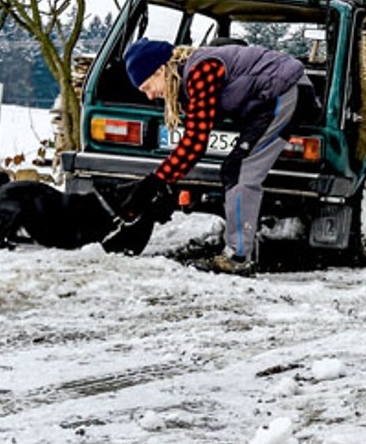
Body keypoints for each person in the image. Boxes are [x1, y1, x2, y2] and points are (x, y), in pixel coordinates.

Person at [120, 38, 304, 272]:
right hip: (264, 97)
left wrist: (154, 182)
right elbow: (196, 135)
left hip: (286, 90)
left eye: (147, 87)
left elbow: (195, 143)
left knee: (240, 169)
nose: (149, 96)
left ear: (160, 70)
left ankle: (237, 258)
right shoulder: (186, 78)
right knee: (234, 168)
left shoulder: (201, 71)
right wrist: (162, 182)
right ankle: (239, 249)